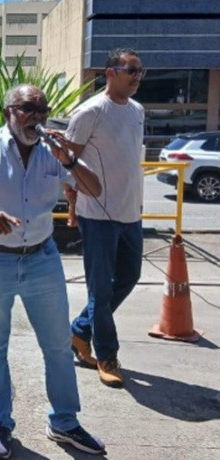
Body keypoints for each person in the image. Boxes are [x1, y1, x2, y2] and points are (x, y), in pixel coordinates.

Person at [0, 84, 105, 458]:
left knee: (58, 347)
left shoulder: (53, 152)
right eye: (28, 108)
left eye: (42, 109)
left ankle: (64, 422)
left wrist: (68, 161)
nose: (37, 117)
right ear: (8, 112)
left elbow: (94, 188)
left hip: (42, 259)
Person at [65, 48, 145, 388]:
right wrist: (72, 200)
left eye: (141, 71)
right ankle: (107, 354)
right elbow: (66, 159)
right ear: (110, 72)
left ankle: (80, 330)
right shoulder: (90, 111)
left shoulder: (138, 111)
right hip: (97, 215)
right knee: (100, 288)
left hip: (130, 213)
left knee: (129, 276)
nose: (137, 77)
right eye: (131, 70)